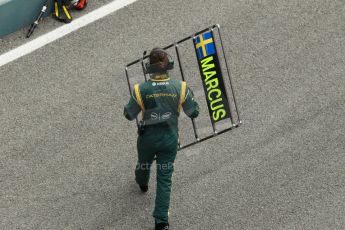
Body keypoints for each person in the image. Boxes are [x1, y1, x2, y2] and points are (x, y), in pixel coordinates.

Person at [124, 48, 199, 230]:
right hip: (169, 140)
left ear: (149, 67)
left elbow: (128, 114)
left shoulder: (140, 89)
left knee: (143, 163)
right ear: (168, 65)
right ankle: (161, 222)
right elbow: (193, 112)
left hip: (147, 139)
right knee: (164, 179)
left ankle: (142, 182)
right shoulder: (180, 87)